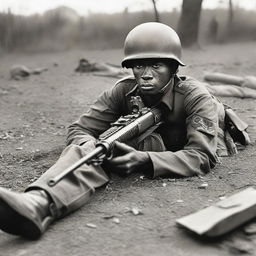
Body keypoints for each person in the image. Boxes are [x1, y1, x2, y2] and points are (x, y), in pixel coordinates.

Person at [0, 22, 249, 240]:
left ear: (173, 68)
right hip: (152, 140)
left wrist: (144, 161)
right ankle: (38, 202)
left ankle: (40, 205)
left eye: (157, 65)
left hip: (184, 147)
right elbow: (80, 127)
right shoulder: (123, 91)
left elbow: (202, 156)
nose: (147, 75)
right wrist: (89, 145)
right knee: (94, 150)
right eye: (139, 66)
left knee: (141, 148)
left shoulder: (195, 97)